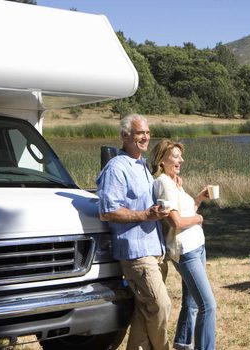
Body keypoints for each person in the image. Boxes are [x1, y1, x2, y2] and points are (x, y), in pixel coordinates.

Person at [96, 114, 171, 350]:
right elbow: (108, 212)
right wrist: (144, 215)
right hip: (136, 253)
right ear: (125, 136)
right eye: (140, 133)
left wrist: (158, 210)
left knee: (145, 310)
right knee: (161, 305)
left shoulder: (141, 165)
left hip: (154, 249)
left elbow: (144, 205)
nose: (145, 137)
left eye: (147, 133)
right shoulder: (117, 168)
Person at [150, 139, 216, 350]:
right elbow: (176, 222)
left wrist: (197, 199)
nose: (181, 159)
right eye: (176, 156)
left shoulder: (173, 182)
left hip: (197, 247)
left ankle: (182, 343)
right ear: (162, 160)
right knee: (208, 305)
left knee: (192, 302)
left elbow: (185, 212)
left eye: (181, 156)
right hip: (187, 251)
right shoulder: (163, 183)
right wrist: (199, 219)